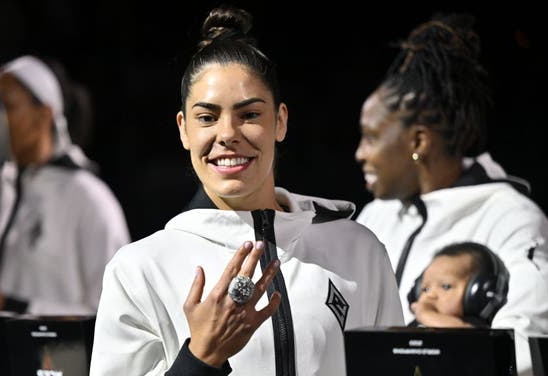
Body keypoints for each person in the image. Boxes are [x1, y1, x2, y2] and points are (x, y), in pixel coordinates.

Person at [89, 5, 403, 376]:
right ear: (183, 130)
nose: (227, 134)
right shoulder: (139, 270)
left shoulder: (358, 250)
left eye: (249, 114)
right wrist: (200, 359)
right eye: (206, 118)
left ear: (280, 121)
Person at [354, 13, 548, 375]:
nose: (360, 153)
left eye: (371, 136)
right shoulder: (374, 216)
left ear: (418, 141)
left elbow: (524, 353)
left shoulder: (511, 217)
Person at [0, 55, 131, 316]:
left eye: (2, 105)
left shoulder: (89, 198)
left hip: (58, 357)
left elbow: (117, 314)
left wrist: (8, 305)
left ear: (44, 113)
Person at [407, 241, 509, 328]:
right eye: (425, 289)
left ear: (476, 293)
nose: (430, 295)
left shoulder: (472, 327)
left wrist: (426, 315)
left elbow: (461, 335)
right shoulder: (418, 321)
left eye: (445, 286)